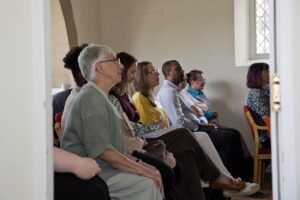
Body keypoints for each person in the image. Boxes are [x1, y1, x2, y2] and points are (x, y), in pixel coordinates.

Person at [111, 52, 259, 199]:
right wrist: (158, 126)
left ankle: (221, 181)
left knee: (189, 152)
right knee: (188, 134)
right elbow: (136, 128)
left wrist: (162, 125)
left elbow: (195, 110)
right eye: (132, 72)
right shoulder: (137, 97)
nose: (157, 74)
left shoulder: (138, 96)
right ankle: (218, 178)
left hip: (152, 134)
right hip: (143, 140)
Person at [61, 46, 183, 200]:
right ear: (100, 67)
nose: (121, 66)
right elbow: (104, 152)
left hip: (104, 167)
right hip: (92, 173)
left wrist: (141, 164)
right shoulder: (91, 98)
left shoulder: (99, 96)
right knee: (147, 183)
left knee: (154, 173)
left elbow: (114, 149)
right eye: (115, 61)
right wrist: (142, 169)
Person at [156, 60, 249, 180]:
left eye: (181, 68)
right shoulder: (168, 93)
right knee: (231, 137)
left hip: (201, 125)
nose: (182, 71)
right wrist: (199, 125)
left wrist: (200, 116)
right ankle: (236, 177)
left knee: (234, 133)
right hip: (192, 132)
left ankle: (238, 175)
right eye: (178, 69)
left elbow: (200, 107)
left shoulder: (177, 90)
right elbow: (179, 122)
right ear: (168, 73)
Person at [246, 62, 270, 148]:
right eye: (267, 71)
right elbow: (268, 117)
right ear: (258, 75)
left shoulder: (264, 91)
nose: (271, 72)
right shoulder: (257, 94)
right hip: (267, 137)